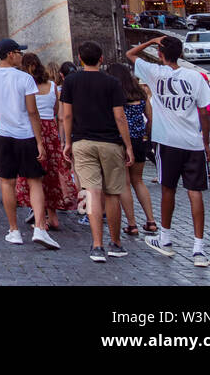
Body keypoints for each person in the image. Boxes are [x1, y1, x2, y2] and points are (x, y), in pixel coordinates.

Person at [126, 35, 210, 266]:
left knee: (168, 189)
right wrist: (205, 142)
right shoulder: (195, 76)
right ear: (182, 54)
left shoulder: (155, 73)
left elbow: (131, 54)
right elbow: (204, 111)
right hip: (192, 142)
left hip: (167, 141)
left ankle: (165, 238)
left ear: (161, 55)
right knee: (195, 192)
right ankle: (199, 248)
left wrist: (151, 41)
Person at [0, 38, 58, 249]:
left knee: (7, 183)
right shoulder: (25, 79)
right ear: (10, 54)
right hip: (26, 135)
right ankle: (40, 227)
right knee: (35, 181)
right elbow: (33, 112)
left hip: (3, 135)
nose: (22, 55)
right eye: (18, 52)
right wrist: (40, 141)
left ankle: (13, 230)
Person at [60, 41, 132, 262]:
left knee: (91, 193)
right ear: (101, 59)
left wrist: (68, 141)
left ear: (79, 59)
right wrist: (128, 145)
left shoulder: (70, 82)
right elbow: (120, 116)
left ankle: (97, 245)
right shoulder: (112, 82)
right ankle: (116, 243)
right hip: (110, 142)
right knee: (112, 194)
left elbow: (67, 116)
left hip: (82, 142)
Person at [15, 52, 77, 231]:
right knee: (51, 174)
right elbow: (57, 112)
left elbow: (27, 111)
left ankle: (39, 217)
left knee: (34, 176)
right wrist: (60, 137)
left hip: (32, 131)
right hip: (51, 132)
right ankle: (53, 216)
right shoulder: (52, 86)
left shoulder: (25, 87)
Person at [106, 62, 158, 235]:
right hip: (139, 140)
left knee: (124, 184)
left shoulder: (114, 93)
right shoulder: (140, 93)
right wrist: (146, 136)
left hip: (119, 140)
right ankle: (151, 220)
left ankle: (132, 223)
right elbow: (150, 118)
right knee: (139, 181)